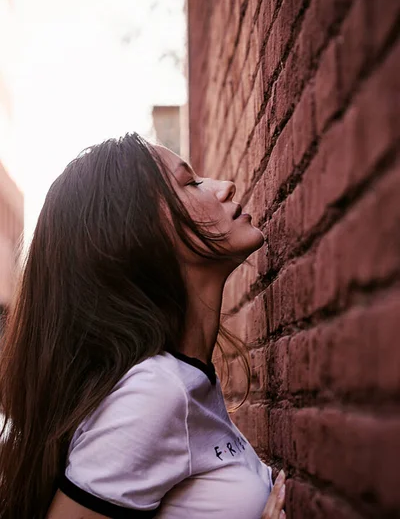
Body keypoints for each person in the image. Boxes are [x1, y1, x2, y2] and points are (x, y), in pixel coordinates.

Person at [0, 133, 286, 518]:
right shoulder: (155, 392)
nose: (224, 187)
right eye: (191, 184)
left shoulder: (187, 380)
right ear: (139, 234)